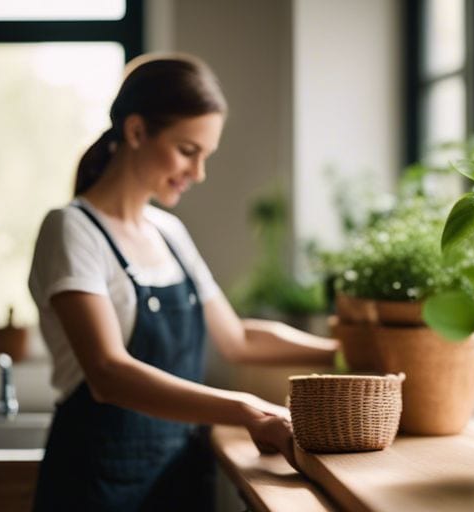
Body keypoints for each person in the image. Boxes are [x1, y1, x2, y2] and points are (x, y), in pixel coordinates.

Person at [28, 53, 338, 511]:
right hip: (94, 485)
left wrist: (345, 350)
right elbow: (108, 374)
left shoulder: (168, 232)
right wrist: (247, 410)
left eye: (205, 156)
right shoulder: (71, 229)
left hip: (177, 480)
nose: (198, 173)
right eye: (188, 151)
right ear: (136, 132)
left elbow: (238, 339)